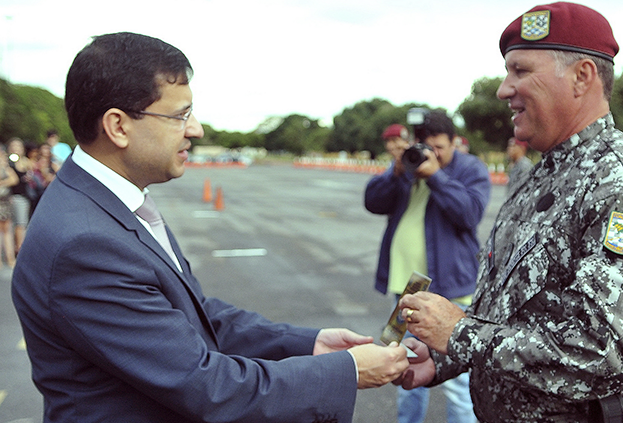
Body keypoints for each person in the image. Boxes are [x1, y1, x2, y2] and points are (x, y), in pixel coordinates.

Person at [11, 32, 408, 423]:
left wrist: (308, 344)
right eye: (180, 115)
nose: (196, 129)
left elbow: (195, 317)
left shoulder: (106, 204)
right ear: (118, 126)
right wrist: (348, 372)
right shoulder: (86, 243)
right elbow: (205, 385)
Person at [394, 3, 623, 422]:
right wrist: (442, 357)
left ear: (582, 77)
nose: (504, 89)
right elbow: (511, 314)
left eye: (521, 71)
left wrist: (458, 334)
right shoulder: (543, 178)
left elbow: (603, 353)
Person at [365, 113, 490, 423]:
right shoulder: (408, 166)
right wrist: (395, 172)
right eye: (426, 147)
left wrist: (436, 176)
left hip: (452, 288)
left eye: (439, 148)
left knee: (459, 383)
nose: (432, 155)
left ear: (453, 143)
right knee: (404, 366)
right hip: (407, 288)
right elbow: (373, 202)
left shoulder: (469, 168)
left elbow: (469, 214)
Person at [6, 137, 33, 255]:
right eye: (14, 146)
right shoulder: (8, 162)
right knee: (19, 225)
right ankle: (19, 250)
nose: (16, 149)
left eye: (18, 146)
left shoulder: (26, 161)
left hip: (26, 196)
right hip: (14, 197)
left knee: (22, 224)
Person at [0, 145, 19, 268]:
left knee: (7, 230)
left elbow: (14, 180)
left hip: (5, 203)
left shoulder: (6, 168)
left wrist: (2, 182)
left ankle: (10, 258)